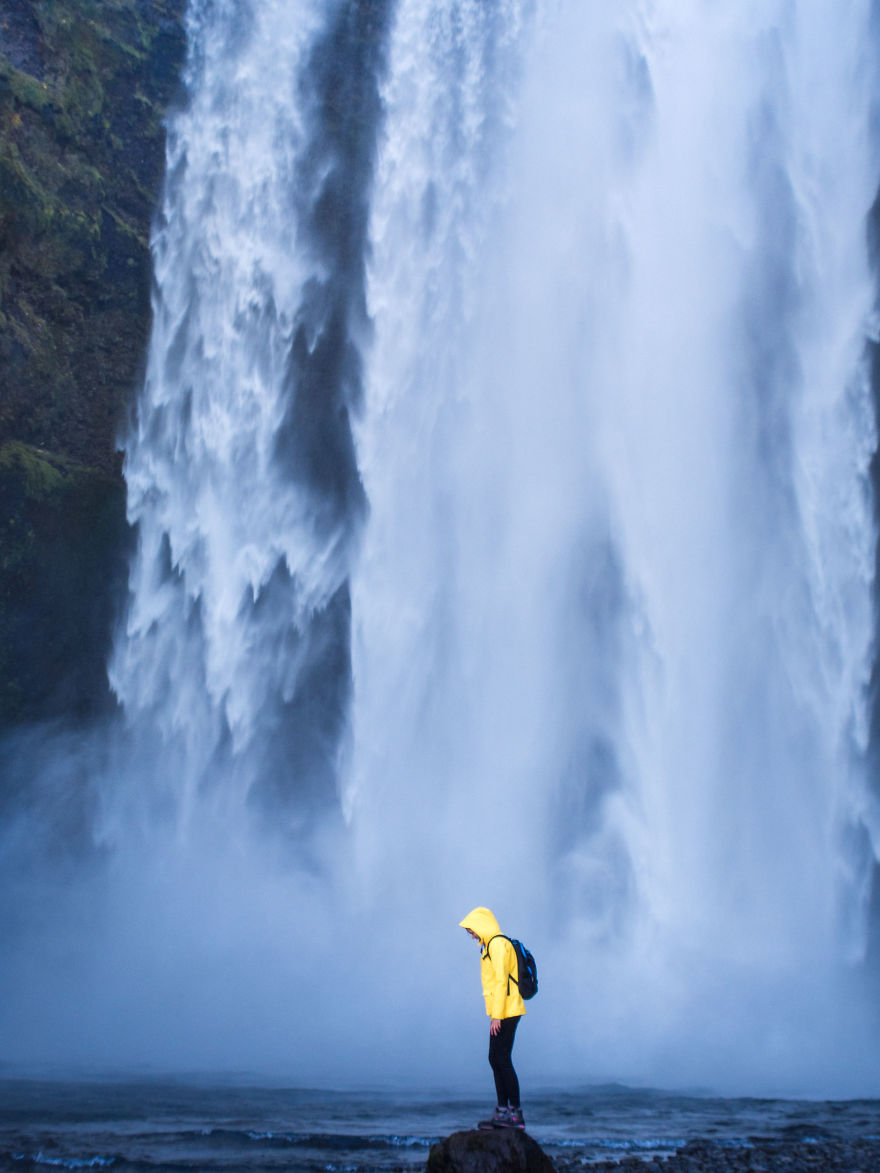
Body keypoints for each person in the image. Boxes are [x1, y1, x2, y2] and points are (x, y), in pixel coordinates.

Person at [459, 906, 526, 1131]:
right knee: (496, 1058)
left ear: (482, 925)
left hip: (507, 1011)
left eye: (471, 929)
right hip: (503, 1011)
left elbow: (501, 982)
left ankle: (513, 1114)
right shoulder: (490, 945)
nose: (470, 934)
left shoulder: (498, 944)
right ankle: (503, 1112)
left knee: (501, 1059)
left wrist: (496, 1016)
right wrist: (494, 1015)